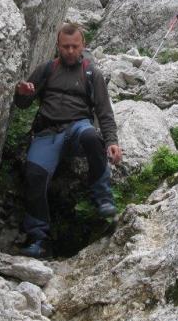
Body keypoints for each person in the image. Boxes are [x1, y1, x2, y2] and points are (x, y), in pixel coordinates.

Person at [13, 23, 123, 259]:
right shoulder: (46, 69)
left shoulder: (92, 73)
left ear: (83, 45)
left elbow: (104, 112)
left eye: (75, 46)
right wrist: (22, 93)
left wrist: (111, 141)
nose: (70, 51)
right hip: (48, 132)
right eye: (65, 47)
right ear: (58, 46)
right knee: (34, 174)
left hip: (77, 127)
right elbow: (23, 104)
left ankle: (102, 196)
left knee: (92, 136)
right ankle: (38, 237)